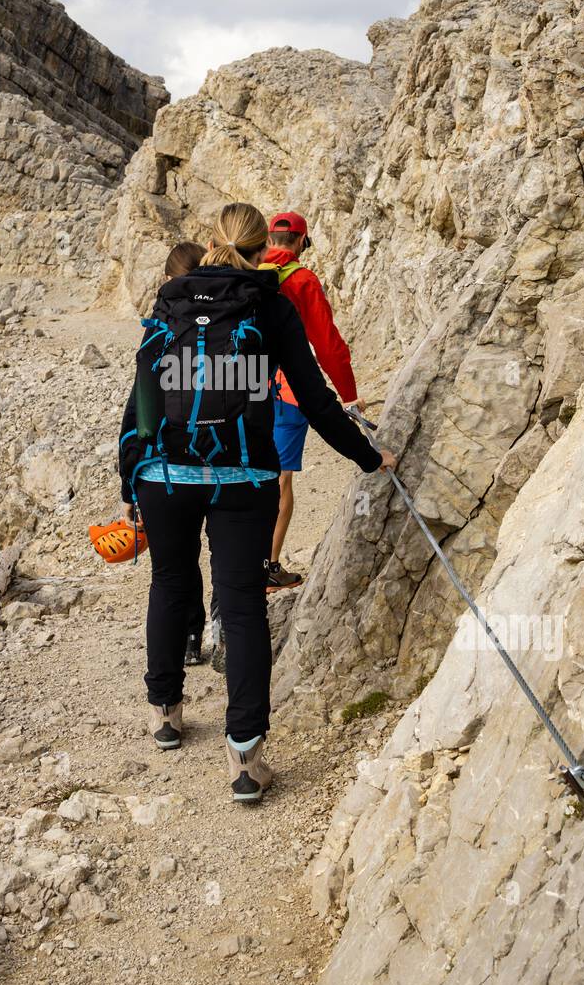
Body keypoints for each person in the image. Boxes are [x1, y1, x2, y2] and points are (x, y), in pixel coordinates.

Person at [118, 203, 396, 804]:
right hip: (243, 475)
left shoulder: (170, 300)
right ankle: (245, 760)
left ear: (213, 240)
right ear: (260, 245)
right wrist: (370, 458)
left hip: (164, 473)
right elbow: (317, 401)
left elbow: (141, 400)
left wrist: (129, 482)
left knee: (168, 582)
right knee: (241, 606)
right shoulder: (268, 303)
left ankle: (166, 714)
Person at [261, 211, 366, 591]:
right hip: (289, 391)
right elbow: (327, 345)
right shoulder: (302, 280)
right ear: (303, 242)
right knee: (279, 478)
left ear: (269, 238)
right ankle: (268, 565)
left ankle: (236, 562)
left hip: (246, 388)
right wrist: (349, 395)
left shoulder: (247, 269)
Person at [160, 241, 213, 666]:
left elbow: (143, 401)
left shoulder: (166, 320)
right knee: (226, 551)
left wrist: (130, 479)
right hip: (232, 459)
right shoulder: (232, 313)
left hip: (176, 463)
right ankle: (223, 626)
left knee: (179, 563)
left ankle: (191, 636)